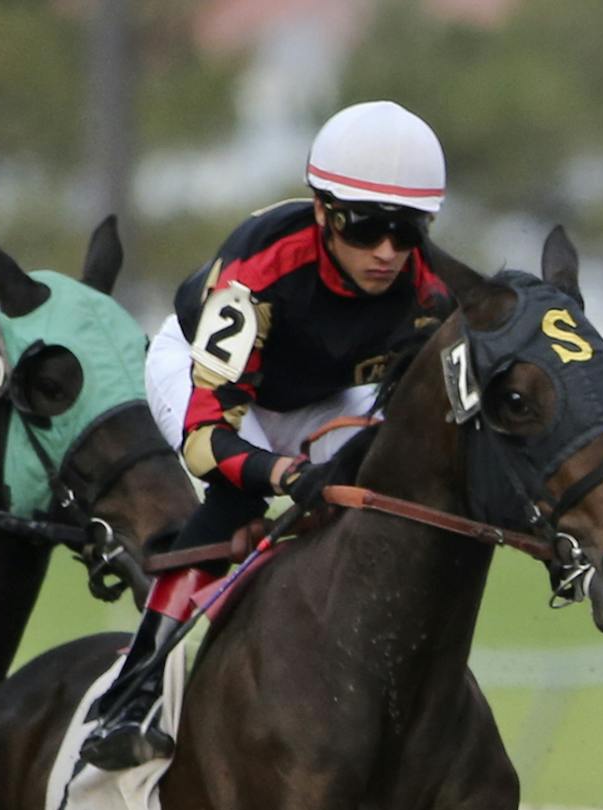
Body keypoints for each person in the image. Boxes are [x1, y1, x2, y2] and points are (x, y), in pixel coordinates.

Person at [77, 99, 454, 770]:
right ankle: (131, 696)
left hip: (318, 392)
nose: (389, 252)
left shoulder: (430, 291)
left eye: (408, 231)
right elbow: (203, 439)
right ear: (323, 212)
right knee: (235, 500)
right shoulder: (259, 270)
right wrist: (281, 474)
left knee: (373, 488)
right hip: (205, 377)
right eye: (366, 228)